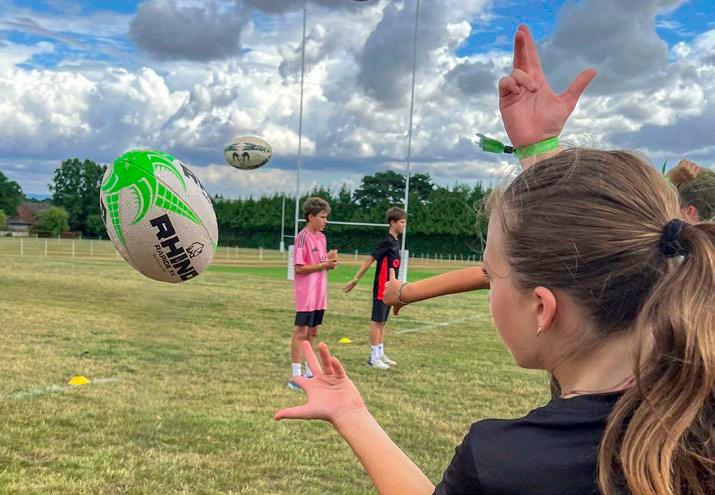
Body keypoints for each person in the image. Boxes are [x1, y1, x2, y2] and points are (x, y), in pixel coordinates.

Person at [275, 25, 713, 495]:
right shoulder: (697, 407)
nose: (487, 285)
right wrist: (537, 153)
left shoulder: (505, 463)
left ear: (542, 309)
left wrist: (350, 413)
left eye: (492, 276)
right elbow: (581, 251)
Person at [343, 207, 407, 369]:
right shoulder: (386, 241)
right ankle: (373, 358)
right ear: (392, 222)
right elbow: (370, 259)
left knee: (383, 321)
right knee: (377, 321)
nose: (404, 225)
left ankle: (380, 353)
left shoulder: (395, 241)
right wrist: (355, 279)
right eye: (401, 222)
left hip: (390, 288)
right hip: (381, 288)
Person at [288, 197, 338, 391]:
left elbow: (321, 263)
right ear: (311, 217)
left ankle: (310, 372)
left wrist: (330, 261)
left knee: (313, 332)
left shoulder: (322, 238)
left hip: (319, 295)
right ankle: (295, 376)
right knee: (301, 332)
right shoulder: (302, 237)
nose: (326, 221)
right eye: (323, 217)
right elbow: (299, 268)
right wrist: (324, 265)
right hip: (306, 295)